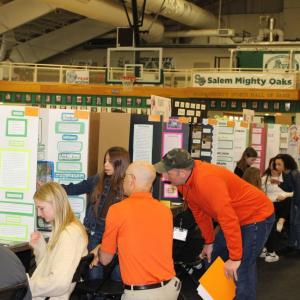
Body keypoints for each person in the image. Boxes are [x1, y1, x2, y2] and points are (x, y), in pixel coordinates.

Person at [154, 148, 274, 300]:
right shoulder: (183, 182)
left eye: (167, 172)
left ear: (182, 172)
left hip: (256, 215)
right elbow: (199, 212)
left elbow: (228, 219)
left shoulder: (207, 180)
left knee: (242, 266)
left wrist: (235, 258)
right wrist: (209, 241)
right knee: (214, 256)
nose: (163, 177)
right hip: (234, 217)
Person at [95, 161, 181, 300]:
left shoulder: (117, 210)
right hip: (170, 289)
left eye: (125, 177)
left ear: (132, 180)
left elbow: (105, 259)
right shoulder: (165, 211)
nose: (123, 181)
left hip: (142, 294)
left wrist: (99, 250)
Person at [62, 146, 130, 280]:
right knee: (94, 275)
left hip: (116, 236)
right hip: (94, 234)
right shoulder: (98, 179)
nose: (105, 165)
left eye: (110, 162)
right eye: (105, 161)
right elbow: (74, 188)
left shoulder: (128, 186)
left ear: (120, 164)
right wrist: (53, 187)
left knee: (117, 276)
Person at [29, 182, 88, 300]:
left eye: (41, 208)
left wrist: (26, 286)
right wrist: (39, 246)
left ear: (55, 204)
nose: (39, 214)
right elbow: (49, 266)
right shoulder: (64, 229)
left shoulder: (69, 234)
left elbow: (59, 283)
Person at [260, 157, 293, 262]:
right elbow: (262, 194)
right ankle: (269, 251)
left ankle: (269, 250)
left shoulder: (286, 178)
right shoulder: (265, 179)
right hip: (270, 205)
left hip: (283, 205)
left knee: (276, 226)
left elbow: (293, 192)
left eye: (278, 165)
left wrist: (286, 196)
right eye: (273, 165)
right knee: (270, 226)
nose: (275, 167)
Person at [274, 154, 300, 250]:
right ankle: (291, 244)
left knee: (297, 224)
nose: (277, 167)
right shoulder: (285, 174)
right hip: (293, 202)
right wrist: (279, 184)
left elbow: (298, 189)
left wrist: (296, 204)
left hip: (297, 202)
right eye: (276, 164)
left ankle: (297, 246)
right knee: (292, 223)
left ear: (286, 163)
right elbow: (288, 188)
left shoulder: (294, 173)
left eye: (279, 164)